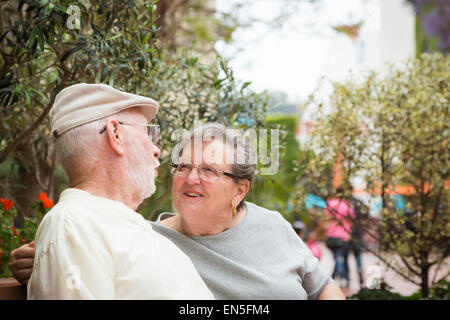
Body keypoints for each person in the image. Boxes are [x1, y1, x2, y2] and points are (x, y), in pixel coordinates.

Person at [10, 122, 345, 299]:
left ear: (239, 190)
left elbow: (321, 287)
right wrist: (40, 261)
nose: (190, 178)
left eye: (209, 170)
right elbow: (87, 257)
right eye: (182, 167)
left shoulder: (271, 225)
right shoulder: (149, 240)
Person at [20, 83, 214, 299]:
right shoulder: (74, 225)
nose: (156, 149)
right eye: (148, 134)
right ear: (116, 134)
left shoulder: (111, 223)